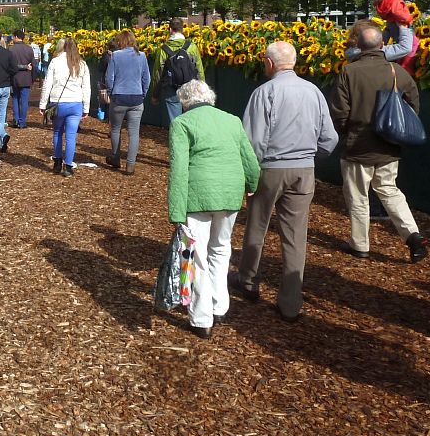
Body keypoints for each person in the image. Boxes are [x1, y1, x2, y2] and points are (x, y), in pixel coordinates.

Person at [228, 41, 339, 321]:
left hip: (271, 168)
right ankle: (290, 303)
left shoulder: (264, 92)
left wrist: (249, 176)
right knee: (295, 235)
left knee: (257, 224)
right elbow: (330, 138)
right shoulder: (313, 91)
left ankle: (249, 280)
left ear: (269, 63)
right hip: (304, 169)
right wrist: (310, 157)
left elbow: (252, 141)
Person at [168, 79, 261, 339]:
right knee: (221, 249)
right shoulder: (231, 120)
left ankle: (201, 317)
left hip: (198, 195)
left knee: (196, 256)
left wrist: (176, 211)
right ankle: (219, 305)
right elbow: (249, 158)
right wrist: (253, 183)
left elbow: (179, 170)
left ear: (185, 102)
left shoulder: (181, 123)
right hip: (230, 194)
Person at [328, 24, 428, 262]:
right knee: (390, 191)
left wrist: (347, 133)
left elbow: (339, 112)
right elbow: (413, 103)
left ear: (358, 47)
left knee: (358, 196)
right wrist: (397, 130)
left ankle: (360, 244)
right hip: (388, 146)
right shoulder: (396, 71)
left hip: (357, 147)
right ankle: (413, 235)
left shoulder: (349, 72)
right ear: (383, 45)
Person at [39, 37, 91, 178]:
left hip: (58, 102)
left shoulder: (55, 62)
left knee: (57, 133)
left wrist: (43, 104)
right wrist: (86, 107)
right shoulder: (81, 64)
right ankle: (68, 166)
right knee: (71, 136)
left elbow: (47, 84)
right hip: (75, 103)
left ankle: (57, 162)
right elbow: (86, 87)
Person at [105, 29, 151, 175]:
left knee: (115, 129)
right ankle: (130, 164)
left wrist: (111, 92)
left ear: (120, 42)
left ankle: (116, 157)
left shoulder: (115, 56)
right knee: (134, 132)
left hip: (119, 96)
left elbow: (109, 78)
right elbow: (146, 78)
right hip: (136, 97)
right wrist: (143, 93)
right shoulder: (141, 56)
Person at [152, 17, 204, 124]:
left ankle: (177, 140)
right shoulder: (192, 47)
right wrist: (202, 90)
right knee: (192, 121)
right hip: (191, 89)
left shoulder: (163, 50)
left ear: (170, 30)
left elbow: (157, 74)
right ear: (182, 29)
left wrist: (155, 94)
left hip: (171, 90)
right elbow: (199, 70)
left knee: (175, 122)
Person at [373, 0, 419, 74]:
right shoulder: (394, 0)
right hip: (402, 26)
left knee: (399, 44)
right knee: (413, 45)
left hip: (392, 27)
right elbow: (397, 12)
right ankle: (406, 67)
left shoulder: (382, 2)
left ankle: (400, 63)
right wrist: (408, 19)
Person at [9, 30, 36, 129]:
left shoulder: (11, 49)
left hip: (15, 78)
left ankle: (16, 119)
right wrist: (33, 78)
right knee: (24, 101)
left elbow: (10, 65)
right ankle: (22, 121)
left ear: (16, 36)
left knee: (15, 99)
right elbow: (34, 65)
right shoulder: (29, 49)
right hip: (26, 77)